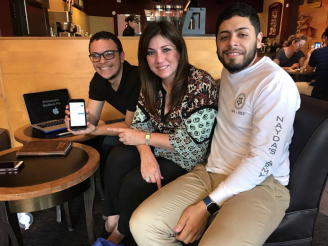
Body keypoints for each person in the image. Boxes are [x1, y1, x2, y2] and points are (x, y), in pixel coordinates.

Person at [130, 3, 300, 246]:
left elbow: (263, 160)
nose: (232, 43)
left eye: (242, 34)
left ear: (259, 39)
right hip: (211, 172)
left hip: (261, 183)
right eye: (224, 36)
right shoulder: (229, 73)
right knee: (143, 224)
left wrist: (206, 206)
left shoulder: (274, 83)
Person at [93, 21, 218, 246]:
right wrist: (146, 153)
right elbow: (140, 125)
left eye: (166, 49)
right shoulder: (151, 83)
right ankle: (112, 218)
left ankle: (117, 235)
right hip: (158, 148)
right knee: (118, 155)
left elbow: (191, 145)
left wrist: (144, 139)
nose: (159, 59)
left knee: (134, 182)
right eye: (151, 52)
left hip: (187, 159)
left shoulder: (201, 84)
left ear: (179, 50)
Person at [65, 31, 140, 182]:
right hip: (133, 123)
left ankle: (110, 186)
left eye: (109, 54)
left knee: (108, 142)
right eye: (96, 55)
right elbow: (93, 117)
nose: (102, 61)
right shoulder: (98, 81)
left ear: (122, 56)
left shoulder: (136, 79)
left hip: (152, 129)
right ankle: (100, 188)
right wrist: (85, 121)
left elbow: (130, 124)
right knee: (92, 142)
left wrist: (97, 130)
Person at [296, 27, 328, 100]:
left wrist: (309, 56)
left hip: (321, 92)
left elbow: (309, 71)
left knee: (292, 85)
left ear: (325, 38)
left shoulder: (318, 52)